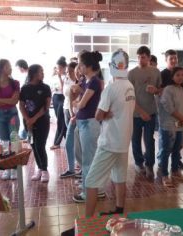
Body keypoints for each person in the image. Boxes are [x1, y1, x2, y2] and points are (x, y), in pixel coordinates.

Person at [85, 49, 135, 217]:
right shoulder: (130, 87)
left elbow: (98, 115)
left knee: (91, 181)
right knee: (119, 177)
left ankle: (87, 221)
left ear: (111, 66)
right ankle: (119, 212)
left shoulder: (111, 88)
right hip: (123, 140)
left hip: (109, 141)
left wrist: (105, 114)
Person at [72, 51, 104, 203]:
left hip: (90, 124)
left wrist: (76, 104)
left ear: (89, 66)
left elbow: (82, 104)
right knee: (83, 157)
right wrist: (76, 102)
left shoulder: (94, 82)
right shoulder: (86, 81)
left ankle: (88, 192)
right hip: (82, 122)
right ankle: (92, 187)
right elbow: (76, 100)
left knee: (88, 160)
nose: (79, 67)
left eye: (82, 65)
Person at [128, 46, 161, 179]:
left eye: (143, 57)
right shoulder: (131, 73)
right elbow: (129, 97)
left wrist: (156, 90)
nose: (140, 59)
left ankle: (149, 164)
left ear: (148, 57)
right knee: (135, 139)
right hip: (136, 113)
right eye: (138, 57)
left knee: (149, 140)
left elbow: (160, 90)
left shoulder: (156, 72)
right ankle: (138, 162)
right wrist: (140, 111)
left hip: (151, 112)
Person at [0, 59, 20, 180]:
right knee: (5, 142)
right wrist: (7, 100)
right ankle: (7, 168)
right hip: (0, 115)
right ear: (1, 69)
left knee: (14, 140)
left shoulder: (15, 83)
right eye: (8, 67)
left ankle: (15, 168)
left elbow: (14, 101)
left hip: (12, 114)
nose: (10, 69)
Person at [157, 66, 183, 186]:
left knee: (177, 150)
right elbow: (169, 107)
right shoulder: (168, 89)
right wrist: (182, 118)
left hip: (181, 125)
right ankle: (164, 175)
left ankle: (175, 172)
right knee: (166, 150)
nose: (180, 77)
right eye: (177, 75)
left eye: (182, 75)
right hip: (168, 125)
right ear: (172, 76)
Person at [19, 64, 51, 182]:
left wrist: (34, 119)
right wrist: (27, 119)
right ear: (33, 74)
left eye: (43, 71)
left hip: (42, 121)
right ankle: (39, 168)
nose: (43, 73)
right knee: (33, 144)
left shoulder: (45, 88)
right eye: (40, 72)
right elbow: (21, 105)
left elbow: (46, 107)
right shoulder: (25, 88)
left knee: (40, 145)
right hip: (28, 122)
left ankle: (45, 170)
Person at [60, 61, 79, 178]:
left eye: (71, 71)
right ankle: (73, 166)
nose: (69, 73)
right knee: (71, 140)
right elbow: (66, 96)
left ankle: (76, 166)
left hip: (75, 114)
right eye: (68, 71)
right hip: (66, 109)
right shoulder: (67, 80)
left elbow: (76, 101)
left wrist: (73, 114)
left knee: (74, 141)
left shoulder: (79, 83)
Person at [50, 56, 67, 149]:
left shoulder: (66, 76)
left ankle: (57, 142)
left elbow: (62, 88)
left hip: (62, 97)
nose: (58, 69)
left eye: (60, 67)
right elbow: (52, 88)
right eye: (57, 67)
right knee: (60, 119)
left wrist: (60, 77)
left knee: (60, 120)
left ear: (64, 67)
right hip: (55, 97)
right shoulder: (54, 76)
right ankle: (67, 139)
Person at [15, 59, 29, 140]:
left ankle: (24, 136)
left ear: (21, 67)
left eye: (18, 68)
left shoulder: (29, 75)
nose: (18, 70)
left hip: (27, 102)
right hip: (25, 102)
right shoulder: (27, 75)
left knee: (25, 118)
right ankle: (24, 135)